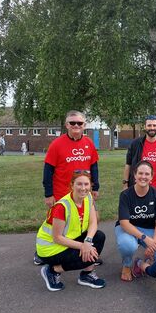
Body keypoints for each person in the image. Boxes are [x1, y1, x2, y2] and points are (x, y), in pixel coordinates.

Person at [36, 110, 100, 266]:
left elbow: (94, 166)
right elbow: (48, 170)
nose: (76, 126)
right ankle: (42, 254)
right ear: (67, 125)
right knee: (56, 227)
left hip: (83, 192)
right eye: (72, 123)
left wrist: (95, 186)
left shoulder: (89, 143)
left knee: (87, 221)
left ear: (84, 125)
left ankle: (88, 251)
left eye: (79, 123)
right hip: (61, 194)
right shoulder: (57, 144)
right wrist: (48, 193)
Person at [36, 171, 106, 291]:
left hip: (68, 241)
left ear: (90, 186)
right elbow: (57, 237)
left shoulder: (88, 197)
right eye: (79, 184)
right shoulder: (62, 206)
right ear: (72, 185)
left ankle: (86, 275)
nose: (83, 188)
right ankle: (52, 271)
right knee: (88, 254)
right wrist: (83, 246)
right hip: (50, 249)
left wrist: (88, 242)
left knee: (98, 237)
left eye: (86, 184)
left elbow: (93, 222)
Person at [115, 161, 156, 281]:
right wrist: (145, 238)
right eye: (140, 173)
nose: (143, 177)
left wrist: (153, 243)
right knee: (127, 245)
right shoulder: (125, 195)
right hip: (128, 228)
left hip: (149, 229)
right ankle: (126, 265)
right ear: (134, 175)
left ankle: (142, 263)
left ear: (151, 177)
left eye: (147, 174)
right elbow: (124, 223)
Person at [123, 115, 156, 200]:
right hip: (139, 189)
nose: (152, 128)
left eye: (154, 125)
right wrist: (125, 184)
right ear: (145, 127)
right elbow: (128, 164)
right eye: (149, 125)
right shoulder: (135, 144)